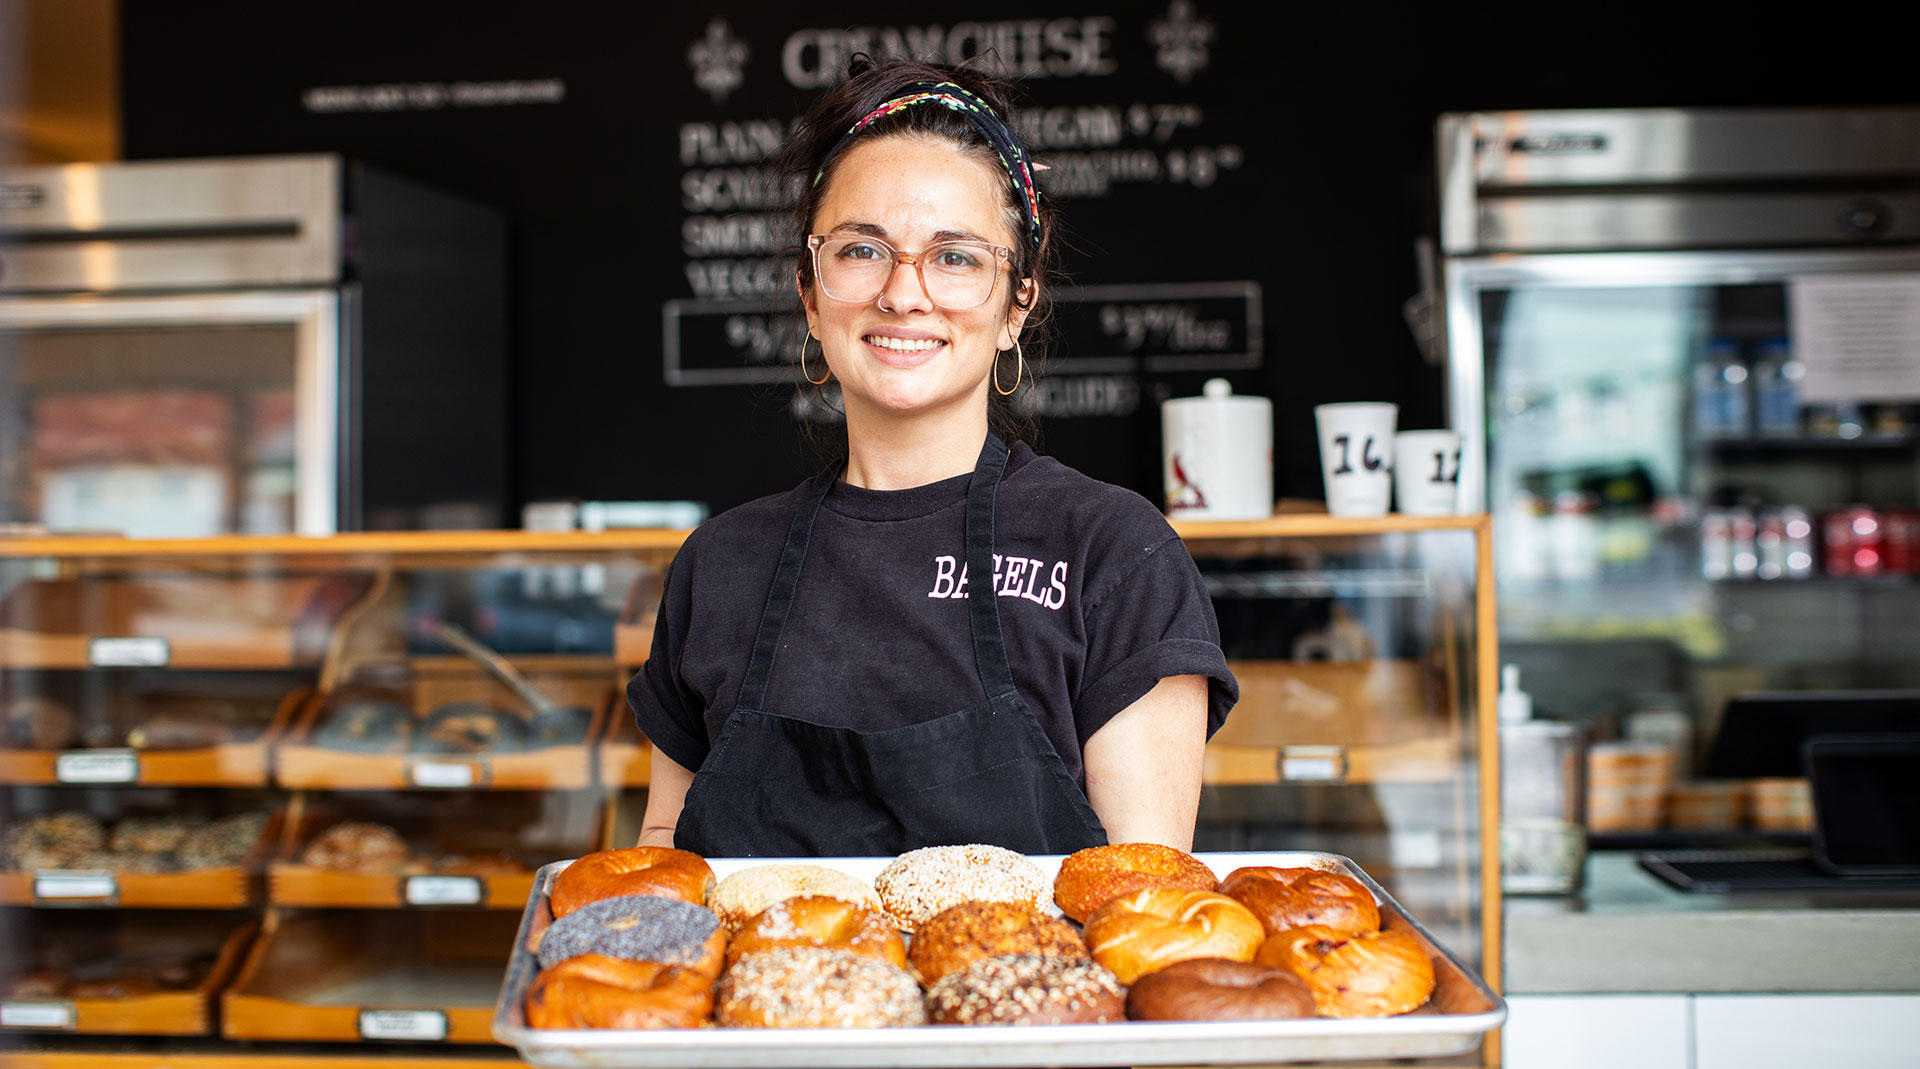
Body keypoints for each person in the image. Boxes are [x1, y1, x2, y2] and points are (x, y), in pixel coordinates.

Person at [629, 55, 1236, 857]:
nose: (903, 293)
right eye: (861, 250)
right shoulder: (719, 565)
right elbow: (665, 871)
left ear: (1018, 301)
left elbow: (1141, 908)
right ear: (811, 293)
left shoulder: (1114, 553)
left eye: (955, 256)